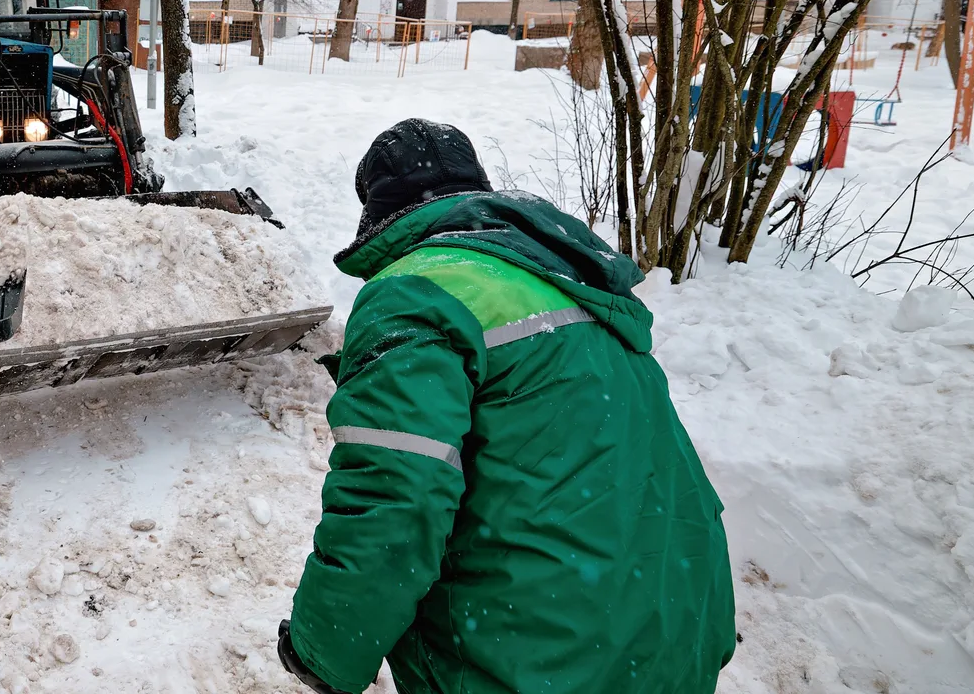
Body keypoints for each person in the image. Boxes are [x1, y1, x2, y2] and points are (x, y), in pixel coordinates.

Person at [278, 119, 734, 694]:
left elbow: (396, 494)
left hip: (543, 653)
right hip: (672, 619)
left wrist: (326, 648)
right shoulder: (564, 276)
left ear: (376, 209)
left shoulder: (413, 293)